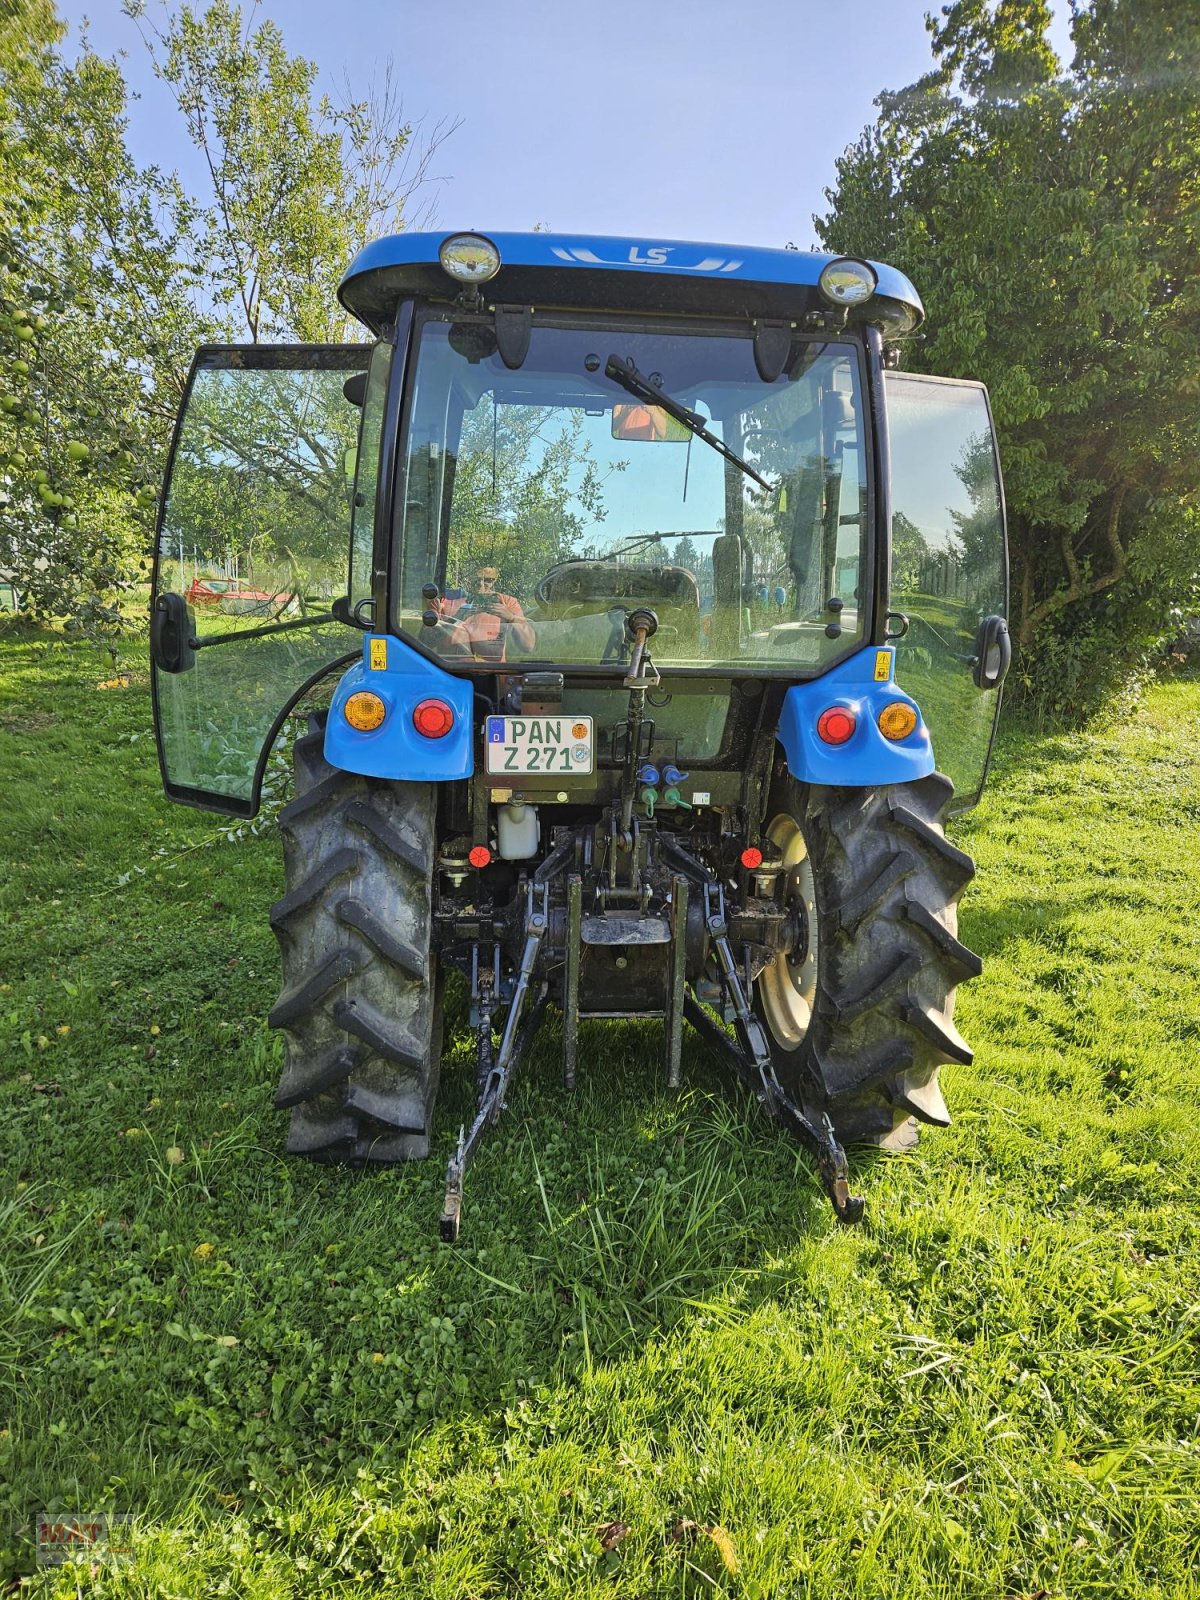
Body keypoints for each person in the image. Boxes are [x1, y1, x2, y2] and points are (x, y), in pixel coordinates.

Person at [445, 566, 535, 662]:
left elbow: (528, 645)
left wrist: (511, 617)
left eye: (487, 580)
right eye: (477, 579)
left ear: (494, 581)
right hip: (452, 669)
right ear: (469, 578)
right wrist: (459, 616)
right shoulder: (452, 602)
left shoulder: (507, 602)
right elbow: (435, 646)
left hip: (493, 671)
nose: (481, 584)